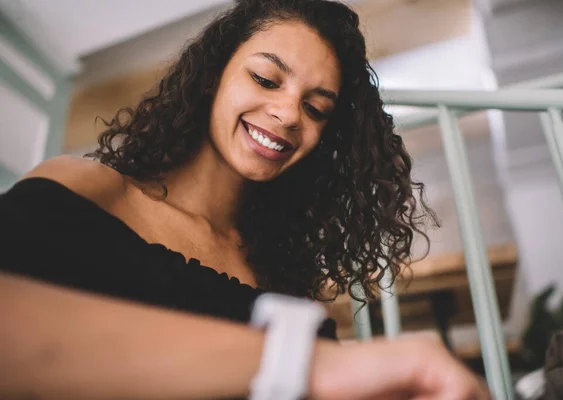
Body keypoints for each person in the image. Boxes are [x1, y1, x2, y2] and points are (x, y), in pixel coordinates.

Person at [0, 0, 490, 399]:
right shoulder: (93, 189)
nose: (288, 113)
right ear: (213, 76)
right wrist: (304, 364)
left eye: (315, 108)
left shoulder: (283, 278)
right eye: (265, 79)